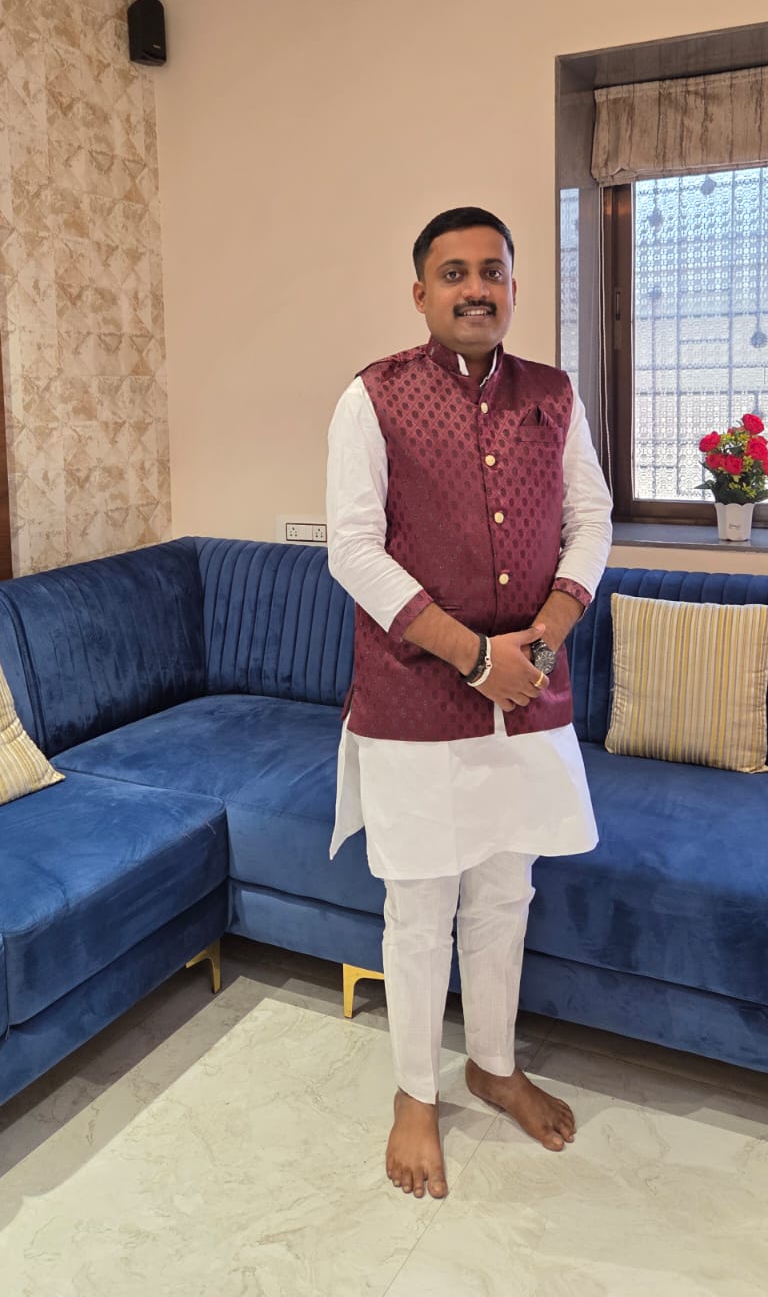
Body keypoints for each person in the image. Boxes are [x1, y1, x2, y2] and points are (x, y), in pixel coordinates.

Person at [326, 205, 613, 1201]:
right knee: (419, 904)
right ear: (421, 293)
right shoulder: (373, 396)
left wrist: (542, 638)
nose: (475, 288)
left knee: (505, 891)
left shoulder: (555, 396)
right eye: (454, 273)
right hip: (414, 696)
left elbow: (592, 521)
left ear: (514, 288)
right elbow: (351, 548)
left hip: (529, 691)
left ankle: (492, 1065)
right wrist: (471, 655)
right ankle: (415, 1092)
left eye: (492, 271)